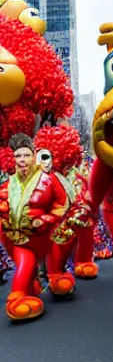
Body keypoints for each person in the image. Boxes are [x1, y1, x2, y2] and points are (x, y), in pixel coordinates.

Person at [0, 134, 68, 322]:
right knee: (25, 265)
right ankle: (17, 299)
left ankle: (55, 276)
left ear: (34, 156)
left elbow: (62, 204)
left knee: (56, 257)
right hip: (22, 240)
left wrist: (46, 219)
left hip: (47, 237)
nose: (22, 160)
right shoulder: (7, 185)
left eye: (26, 155)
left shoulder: (49, 180)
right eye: (18, 156)